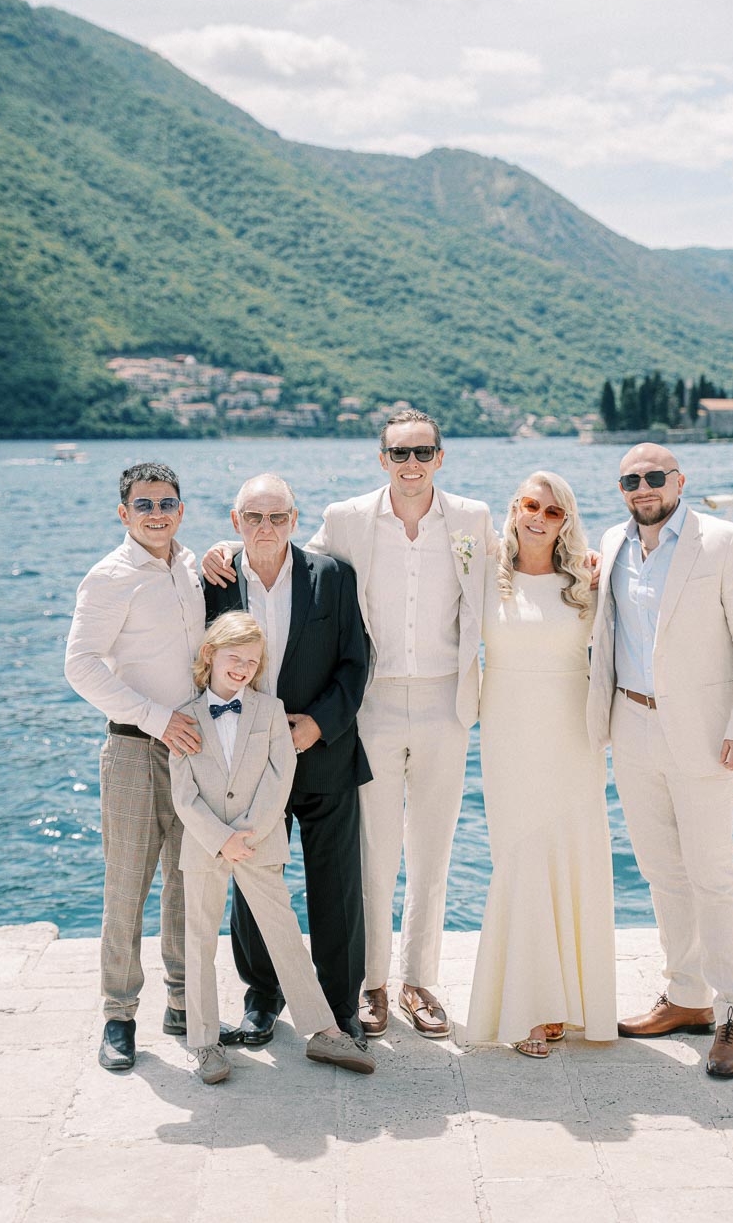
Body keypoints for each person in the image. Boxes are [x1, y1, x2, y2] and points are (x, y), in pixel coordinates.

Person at [203, 409, 496, 1039]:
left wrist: (585, 570)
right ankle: (370, 986)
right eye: (399, 453)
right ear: (381, 459)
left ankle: (419, 982)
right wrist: (224, 549)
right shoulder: (345, 519)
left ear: (440, 457)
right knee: (370, 856)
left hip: (448, 700)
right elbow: (290, 569)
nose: (411, 464)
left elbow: (505, 577)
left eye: (423, 452)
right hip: (373, 705)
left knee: (433, 853)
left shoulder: (472, 519)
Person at [587, 443, 733, 1078]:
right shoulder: (613, 544)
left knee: (712, 874)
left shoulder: (726, 541)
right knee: (662, 872)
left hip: (703, 734)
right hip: (630, 726)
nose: (643, 487)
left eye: (654, 477)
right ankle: (686, 997)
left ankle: (732, 1014)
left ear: (679, 480)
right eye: (630, 480)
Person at [203, 473, 371, 1049]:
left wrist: (319, 724)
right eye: (254, 517)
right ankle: (262, 998)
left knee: (338, 887)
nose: (266, 528)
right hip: (245, 763)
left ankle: (341, 1007)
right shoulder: (216, 583)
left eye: (277, 517)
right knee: (252, 882)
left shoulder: (333, 577)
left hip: (322, 752)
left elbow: (356, 662)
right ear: (235, 523)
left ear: (295, 521)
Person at [170, 612, 375, 1082]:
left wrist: (249, 832)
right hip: (206, 845)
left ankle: (322, 1030)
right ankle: (203, 1043)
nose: (242, 668)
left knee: (283, 931)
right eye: (233, 657)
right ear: (210, 655)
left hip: (258, 840)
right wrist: (222, 839)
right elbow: (184, 795)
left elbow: (280, 777)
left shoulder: (268, 710)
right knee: (199, 939)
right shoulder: (185, 718)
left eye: (252, 661)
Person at [466, 472, 618, 1057]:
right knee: (521, 855)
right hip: (507, 732)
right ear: (513, 508)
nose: (538, 517)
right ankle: (528, 1008)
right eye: (531, 505)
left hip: (572, 734)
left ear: (566, 522)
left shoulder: (586, 580)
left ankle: (570, 1004)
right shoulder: (482, 571)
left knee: (572, 852)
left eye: (553, 512)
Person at [64, 462, 206, 1071]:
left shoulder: (194, 567)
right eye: (143, 505)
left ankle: (182, 1004)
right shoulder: (109, 577)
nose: (156, 513)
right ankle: (119, 1016)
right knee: (127, 885)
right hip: (132, 749)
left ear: (181, 509)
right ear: (124, 514)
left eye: (166, 503)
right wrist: (154, 717)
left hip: (195, 751)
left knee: (185, 881)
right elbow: (81, 665)